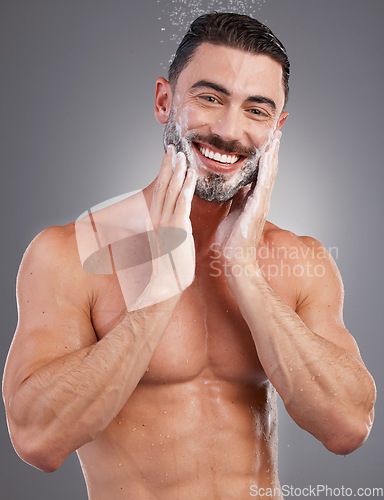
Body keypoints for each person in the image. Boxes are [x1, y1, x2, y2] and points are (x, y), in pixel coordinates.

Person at [2, 12, 376, 499]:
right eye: (209, 98)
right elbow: (37, 439)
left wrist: (243, 269)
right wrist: (158, 292)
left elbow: (348, 427)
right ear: (164, 100)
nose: (228, 129)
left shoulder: (299, 260)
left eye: (256, 111)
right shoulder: (72, 253)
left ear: (277, 128)